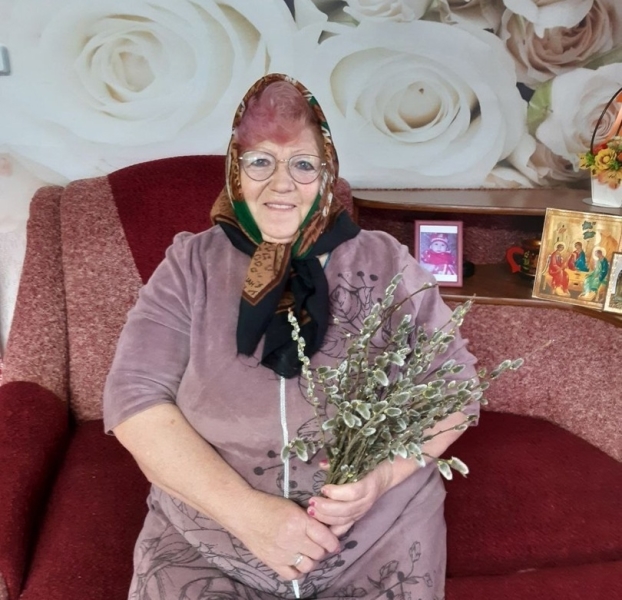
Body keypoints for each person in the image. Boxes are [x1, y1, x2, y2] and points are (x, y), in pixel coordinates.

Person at [103, 73, 479, 600]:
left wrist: (378, 479)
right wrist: (247, 514)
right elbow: (134, 397)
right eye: (261, 161)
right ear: (235, 171)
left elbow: (456, 389)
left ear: (326, 174)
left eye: (303, 164)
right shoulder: (192, 263)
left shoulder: (384, 260)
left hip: (376, 537)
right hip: (212, 536)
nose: (282, 183)